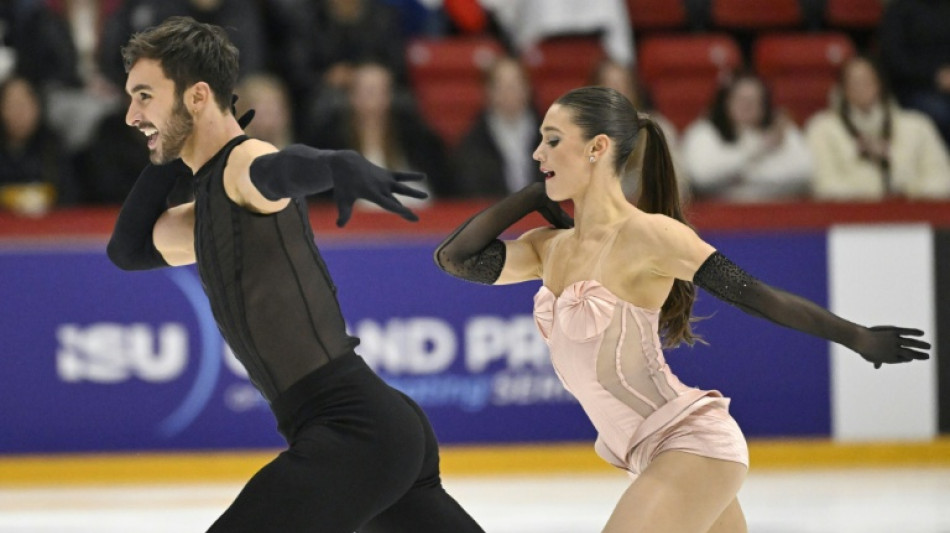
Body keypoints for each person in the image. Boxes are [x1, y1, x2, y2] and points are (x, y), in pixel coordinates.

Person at [434, 86, 930, 532]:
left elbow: (755, 294)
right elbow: (453, 259)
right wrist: (529, 196)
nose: (538, 151)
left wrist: (858, 338)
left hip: (691, 444)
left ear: (597, 148)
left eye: (552, 140)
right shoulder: (549, 247)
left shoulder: (651, 236)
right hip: (648, 454)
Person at [106, 17, 484, 533]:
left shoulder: (243, 164)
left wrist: (336, 164)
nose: (132, 114)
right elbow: (127, 249)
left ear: (196, 96)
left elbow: (280, 170)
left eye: (145, 96)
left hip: (355, 432)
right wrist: (173, 146)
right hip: (373, 428)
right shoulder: (210, 205)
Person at [806, 55, 950, 200]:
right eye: (854, 81)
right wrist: (873, 193)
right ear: (842, 88)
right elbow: (824, 186)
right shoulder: (822, 129)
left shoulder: (917, 126)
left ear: (880, 83)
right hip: (848, 218)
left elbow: (942, 179)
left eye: (866, 80)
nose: (861, 87)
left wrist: (902, 185)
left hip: (914, 216)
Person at [680, 71, 812, 202]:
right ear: (726, 101)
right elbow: (702, 177)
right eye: (741, 99)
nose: (747, 106)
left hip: (778, 214)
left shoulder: (782, 131)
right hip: (719, 216)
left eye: (754, 100)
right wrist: (758, 150)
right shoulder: (703, 132)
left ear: (765, 104)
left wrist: (734, 178)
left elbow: (805, 172)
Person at [451, 56, 543, 198]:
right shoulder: (474, 142)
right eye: (503, 86)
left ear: (528, 88)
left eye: (516, 84)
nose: (510, 93)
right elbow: (471, 188)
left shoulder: (550, 135)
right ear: (489, 91)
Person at [879, 0, 950, 147]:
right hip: (914, 87)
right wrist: (934, 76)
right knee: (941, 112)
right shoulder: (899, 10)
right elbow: (894, 59)